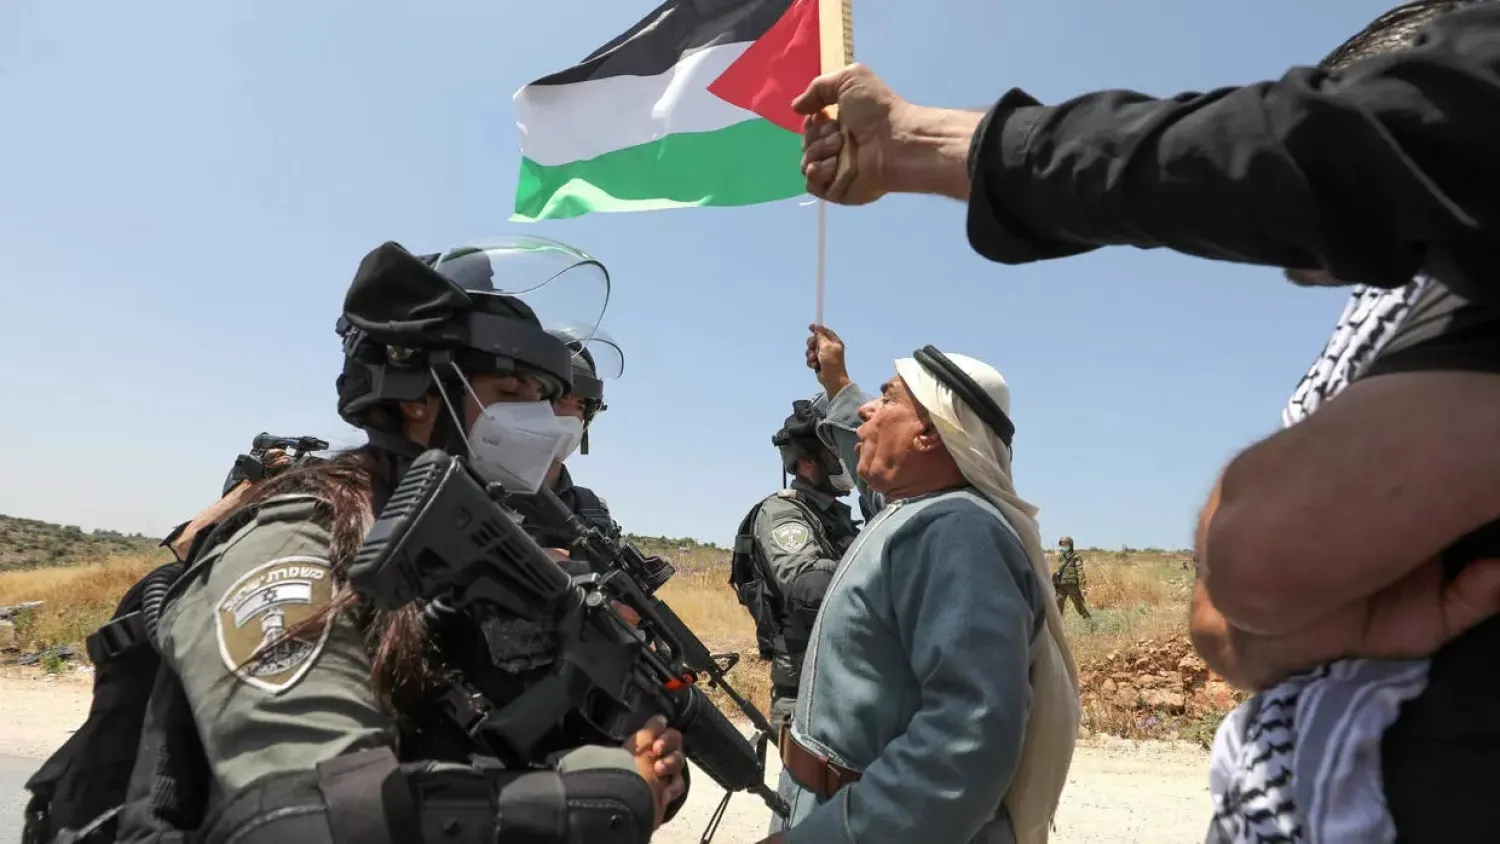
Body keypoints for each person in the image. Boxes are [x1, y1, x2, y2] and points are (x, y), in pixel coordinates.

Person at [115, 239, 685, 844]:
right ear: (417, 397)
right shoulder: (299, 538)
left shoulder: (476, 548)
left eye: (544, 398)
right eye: (513, 391)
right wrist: (599, 799)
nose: (543, 421)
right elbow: (301, 818)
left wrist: (630, 742)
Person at [760, 325, 1079, 844]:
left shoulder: (958, 533)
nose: (868, 409)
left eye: (887, 399)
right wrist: (836, 381)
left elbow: (964, 743)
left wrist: (832, 835)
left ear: (929, 434)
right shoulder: (914, 512)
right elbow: (867, 462)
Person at [729, 397, 860, 730]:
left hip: (847, 682)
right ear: (807, 462)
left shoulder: (835, 517)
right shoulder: (783, 513)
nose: (846, 460)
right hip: (808, 693)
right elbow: (807, 586)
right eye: (836, 453)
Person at [510, 326, 626, 572]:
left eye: (580, 406)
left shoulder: (592, 509)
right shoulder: (477, 489)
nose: (571, 417)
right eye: (561, 401)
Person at [1052, 536, 1090, 619]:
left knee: (1078, 604)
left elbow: (1080, 572)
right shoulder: (1061, 557)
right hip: (1061, 585)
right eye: (1062, 544)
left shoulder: (1076, 557)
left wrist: (1083, 587)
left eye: (1066, 544)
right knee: (1058, 601)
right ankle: (1058, 622)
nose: (1063, 546)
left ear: (1070, 545)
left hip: (1072, 585)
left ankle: (1088, 619)